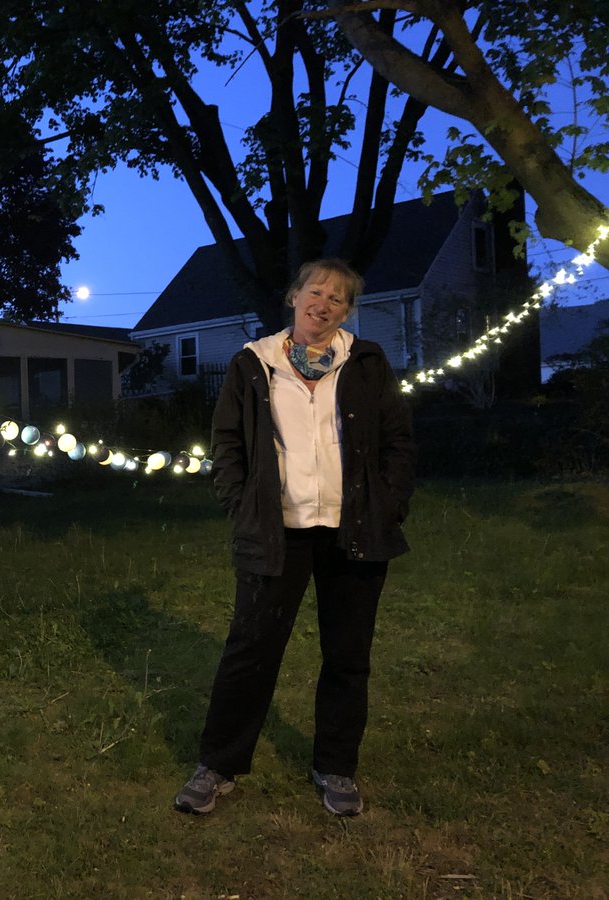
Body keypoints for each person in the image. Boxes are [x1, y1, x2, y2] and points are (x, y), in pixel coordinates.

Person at [174, 258, 416, 818]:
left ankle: (336, 767)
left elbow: (398, 442)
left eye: (337, 297)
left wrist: (390, 501)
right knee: (249, 651)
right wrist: (242, 507)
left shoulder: (367, 363)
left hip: (353, 529)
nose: (324, 303)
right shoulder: (252, 365)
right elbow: (227, 445)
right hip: (276, 533)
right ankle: (219, 764)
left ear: (347, 310)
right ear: (294, 296)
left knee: (348, 655)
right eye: (316, 291)